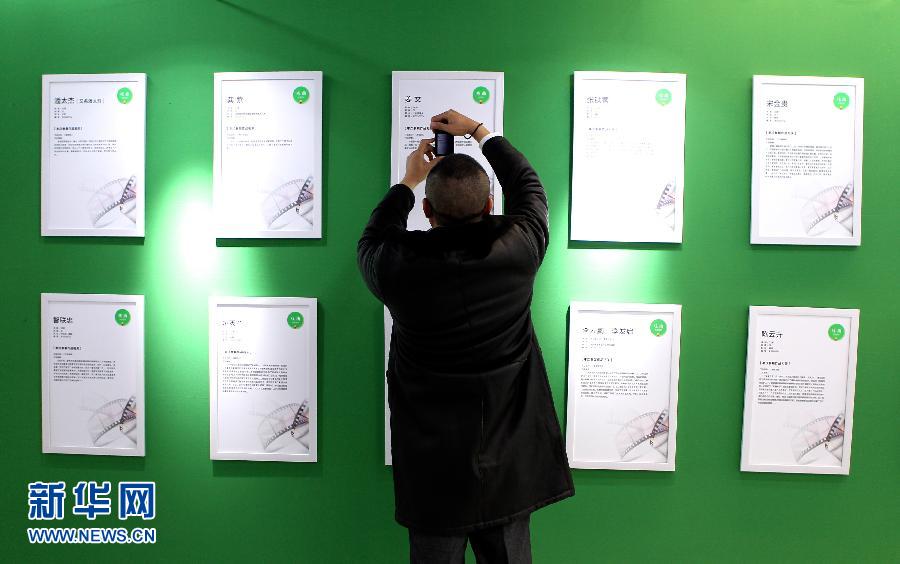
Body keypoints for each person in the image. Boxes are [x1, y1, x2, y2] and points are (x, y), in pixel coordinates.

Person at [358, 110, 574, 564]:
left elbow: (372, 238)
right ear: (490, 205)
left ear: (427, 212)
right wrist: (479, 132)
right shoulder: (520, 247)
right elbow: (528, 187)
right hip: (509, 464)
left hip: (433, 470)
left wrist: (408, 182)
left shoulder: (397, 267)